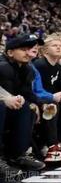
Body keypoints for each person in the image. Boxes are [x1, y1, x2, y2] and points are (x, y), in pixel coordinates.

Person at [0, 34, 46, 171]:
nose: (28, 53)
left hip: (10, 104)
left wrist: (39, 104)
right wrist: (6, 98)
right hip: (3, 103)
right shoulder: (3, 66)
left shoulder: (27, 69)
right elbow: (8, 94)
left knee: (26, 107)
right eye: (23, 49)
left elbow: (27, 93)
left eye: (29, 49)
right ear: (10, 52)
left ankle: (18, 155)